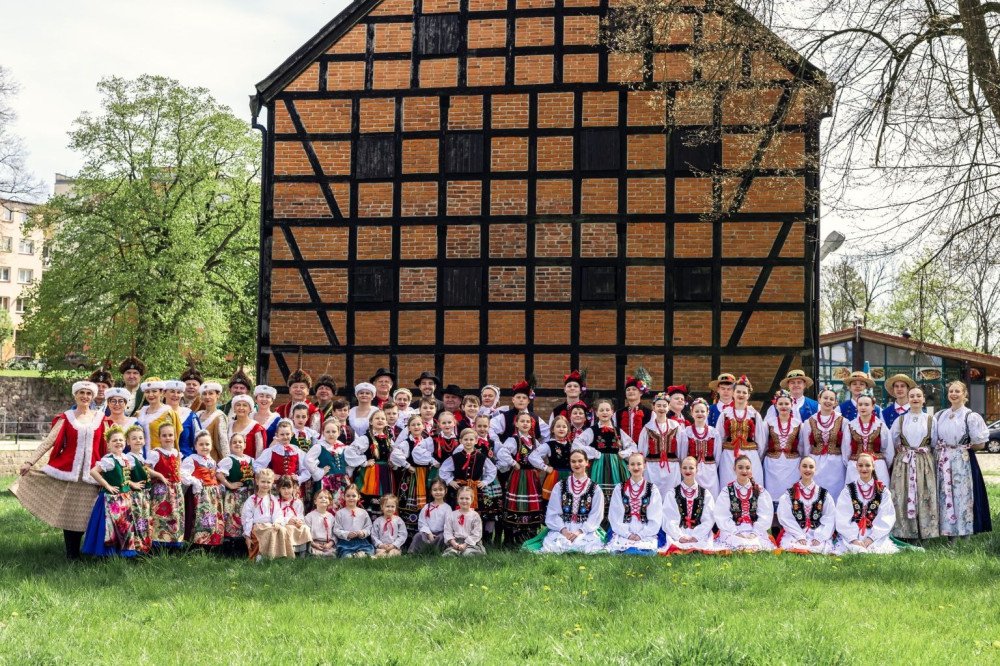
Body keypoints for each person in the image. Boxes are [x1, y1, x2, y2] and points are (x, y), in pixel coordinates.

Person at [12, 381, 106, 559]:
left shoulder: (101, 419)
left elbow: (107, 447)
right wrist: (30, 462)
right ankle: (72, 555)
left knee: (88, 514)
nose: (85, 396)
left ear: (93, 397)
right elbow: (48, 442)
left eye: (88, 393)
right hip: (68, 474)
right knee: (70, 515)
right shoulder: (67, 417)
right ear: (75, 395)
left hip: (93, 475)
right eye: (81, 393)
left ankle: (91, 551)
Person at [935, 380, 992, 538]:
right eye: (951, 391)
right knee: (945, 494)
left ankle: (964, 534)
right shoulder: (941, 415)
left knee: (963, 496)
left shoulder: (970, 416)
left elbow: (980, 444)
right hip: (944, 460)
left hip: (963, 461)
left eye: (957, 391)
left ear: (964, 394)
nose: (953, 394)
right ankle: (948, 533)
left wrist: (961, 448)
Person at [82, 425, 148, 558]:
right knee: (109, 525)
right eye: (114, 440)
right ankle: (107, 553)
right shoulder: (109, 460)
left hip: (125, 498)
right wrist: (107, 485)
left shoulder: (126, 458)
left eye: (121, 440)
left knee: (124, 525)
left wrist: (132, 483)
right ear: (109, 445)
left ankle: (123, 551)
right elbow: (93, 471)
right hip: (111, 500)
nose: (118, 442)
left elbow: (124, 477)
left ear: (125, 442)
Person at [889, 386, 939, 541]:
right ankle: (904, 532)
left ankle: (925, 532)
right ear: (908, 399)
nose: (915, 399)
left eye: (918, 396)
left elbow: (935, 443)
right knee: (902, 495)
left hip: (924, 462)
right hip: (904, 462)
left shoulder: (931, 419)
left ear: (923, 399)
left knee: (924, 494)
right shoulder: (901, 419)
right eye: (912, 396)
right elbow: (892, 440)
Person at [573, 399, 636, 514]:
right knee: (597, 492)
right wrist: (594, 453)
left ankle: (616, 517)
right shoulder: (592, 430)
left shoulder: (618, 431)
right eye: (601, 410)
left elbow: (633, 446)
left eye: (607, 410)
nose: (605, 412)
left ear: (612, 412)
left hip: (617, 465)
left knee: (618, 492)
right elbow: (576, 444)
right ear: (596, 413)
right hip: (599, 465)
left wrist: (623, 453)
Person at [538, 449, 605, 554]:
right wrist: (564, 531)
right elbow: (553, 512)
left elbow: (596, 515)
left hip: (585, 530)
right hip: (563, 528)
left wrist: (580, 531)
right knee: (555, 544)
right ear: (570, 463)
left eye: (580, 461)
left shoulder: (595, 489)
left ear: (587, 462)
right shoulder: (560, 486)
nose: (576, 464)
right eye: (573, 461)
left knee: (587, 545)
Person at [441, 428, 501, 539]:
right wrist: (450, 481)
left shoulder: (482, 457)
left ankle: (479, 537)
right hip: (460, 489)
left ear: (476, 441)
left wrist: (485, 481)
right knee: (459, 511)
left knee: (479, 513)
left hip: (476, 490)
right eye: (466, 439)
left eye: (471, 439)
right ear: (460, 441)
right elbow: (443, 470)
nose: (468, 442)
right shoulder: (455, 457)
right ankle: (459, 536)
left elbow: (492, 470)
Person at [834, 453, 898, 554]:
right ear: (856, 467)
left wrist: (870, 539)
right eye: (860, 465)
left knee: (876, 549)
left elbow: (886, 516)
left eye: (867, 465)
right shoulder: (848, 490)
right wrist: (853, 539)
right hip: (852, 532)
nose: (864, 468)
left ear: (873, 466)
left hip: (874, 533)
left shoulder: (882, 491)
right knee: (850, 547)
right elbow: (842, 515)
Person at [498, 412, 546, 545]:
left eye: (528, 421)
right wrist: (514, 463)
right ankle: (512, 538)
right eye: (522, 421)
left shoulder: (534, 440)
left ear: (531, 424)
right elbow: (502, 453)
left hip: (532, 476)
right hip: (519, 477)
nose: (525, 424)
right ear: (516, 423)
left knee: (531, 504)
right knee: (518, 503)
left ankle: (529, 535)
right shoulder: (514, 439)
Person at [776, 456, 837, 554]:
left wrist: (820, 537)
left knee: (821, 547)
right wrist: (799, 536)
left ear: (815, 469)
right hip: (795, 532)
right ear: (799, 468)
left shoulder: (823, 494)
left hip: (817, 533)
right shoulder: (789, 494)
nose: (808, 469)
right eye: (804, 466)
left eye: (811, 467)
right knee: (792, 545)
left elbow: (830, 517)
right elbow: (786, 517)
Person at [714, 455, 775, 552]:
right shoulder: (727, 491)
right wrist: (735, 532)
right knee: (737, 541)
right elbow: (722, 515)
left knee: (754, 542)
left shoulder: (759, 490)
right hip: (733, 528)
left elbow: (765, 514)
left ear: (751, 469)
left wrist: (755, 532)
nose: (744, 471)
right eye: (740, 467)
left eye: (747, 468)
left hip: (754, 528)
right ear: (734, 469)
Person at [606, 453, 663, 554]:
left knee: (648, 546)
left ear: (644, 466)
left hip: (646, 531)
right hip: (624, 531)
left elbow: (656, 516)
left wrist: (642, 534)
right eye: (632, 464)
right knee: (618, 545)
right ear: (628, 467)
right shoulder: (619, 488)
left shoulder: (652, 489)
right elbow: (614, 515)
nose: (636, 467)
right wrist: (628, 534)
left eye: (639, 464)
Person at [718, 375, 767, 489]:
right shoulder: (725, 414)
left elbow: (761, 441)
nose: (741, 395)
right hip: (729, 457)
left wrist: (755, 457)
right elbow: (719, 438)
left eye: (744, 393)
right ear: (733, 393)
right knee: (729, 487)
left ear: (748, 395)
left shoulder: (754, 414)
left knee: (752, 487)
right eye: (738, 392)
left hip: (751, 456)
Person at [660, 456, 716, 554]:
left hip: (700, 533)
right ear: (680, 470)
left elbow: (709, 518)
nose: (688, 470)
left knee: (703, 544)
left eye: (691, 468)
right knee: (675, 544)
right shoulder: (672, 493)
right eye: (685, 467)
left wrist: (696, 535)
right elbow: (669, 517)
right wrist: (679, 536)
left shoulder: (705, 494)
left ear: (697, 470)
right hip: (679, 531)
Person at [798, 388, 847, 500]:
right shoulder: (809, 421)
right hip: (816, 463)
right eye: (825, 398)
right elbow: (806, 446)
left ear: (835, 402)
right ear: (819, 399)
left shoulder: (843, 421)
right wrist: (808, 464)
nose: (828, 401)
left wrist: (845, 463)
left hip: (836, 464)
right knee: (817, 494)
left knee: (835, 494)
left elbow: (845, 445)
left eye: (831, 399)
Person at [180, 430, 225, 548]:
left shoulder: (212, 461)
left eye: (207, 444)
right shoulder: (192, 459)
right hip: (201, 495)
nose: (204, 447)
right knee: (201, 518)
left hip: (213, 495)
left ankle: (212, 542)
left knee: (212, 518)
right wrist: (195, 481)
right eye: (201, 444)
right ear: (195, 446)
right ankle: (198, 543)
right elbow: (183, 474)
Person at [392, 414, 435, 533]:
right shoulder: (406, 443)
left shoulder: (427, 442)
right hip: (411, 476)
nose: (416, 427)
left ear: (423, 426)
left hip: (425, 475)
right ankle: (407, 534)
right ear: (408, 428)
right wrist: (407, 465)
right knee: (409, 503)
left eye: (418, 424)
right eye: (413, 425)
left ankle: (423, 533)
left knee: (426, 501)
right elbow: (395, 455)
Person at [145, 423, 184, 548]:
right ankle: (158, 543)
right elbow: (146, 468)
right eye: (164, 435)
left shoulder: (177, 453)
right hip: (161, 491)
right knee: (161, 517)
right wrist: (159, 475)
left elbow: (179, 469)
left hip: (176, 489)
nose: (168, 438)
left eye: (170, 435)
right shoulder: (156, 453)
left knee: (175, 515)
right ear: (159, 437)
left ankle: (173, 543)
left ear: (175, 436)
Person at [637, 392, 682, 501]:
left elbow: (681, 448)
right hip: (652, 469)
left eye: (664, 406)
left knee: (671, 495)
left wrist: (680, 464)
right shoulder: (648, 427)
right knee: (653, 495)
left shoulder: (675, 426)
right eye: (658, 405)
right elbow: (642, 449)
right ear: (653, 407)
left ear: (669, 407)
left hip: (672, 468)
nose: (661, 408)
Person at [217, 432, 256, 554]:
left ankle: (245, 546)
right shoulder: (228, 460)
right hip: (234, 496)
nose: (237, 444)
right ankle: (231, 547)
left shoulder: (250, 459)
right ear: (230, 445)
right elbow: (219, 474)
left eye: (240, 442)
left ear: (245, 444)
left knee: (246, 518)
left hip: (248, 495)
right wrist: (229, 485)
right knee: (233, 519)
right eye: (234, 442)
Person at [354, 411, 399, 518]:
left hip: (387, 473)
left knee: (386, 498)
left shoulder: (388, 439)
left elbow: (395, 454)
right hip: (372, 473)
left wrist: (393, 463)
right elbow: (351, 452)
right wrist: (365, 462)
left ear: (386, 422)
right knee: (371, 498)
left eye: (383, 419)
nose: (380, 420)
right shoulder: (365, 438)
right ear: (371, 422)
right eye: (377, 418)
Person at [242, 469, 294, 560]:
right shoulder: (252, 500)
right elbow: (247, 518)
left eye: (268, 482)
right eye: (263, 482)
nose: (265, 485)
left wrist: (277, 522)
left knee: (282, 530)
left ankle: (281, 555)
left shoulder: (272, 499)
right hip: (257, 526)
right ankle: (262, 556)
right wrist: (247, 535)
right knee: (270, 531)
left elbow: (277, 513)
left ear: (272, 483)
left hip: (270, 524)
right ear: (257, 481)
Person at [842, 392, 893, 485]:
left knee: (878, 494)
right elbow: (846, 450)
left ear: (873, 407)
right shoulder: (850, 425)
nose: (863, 407)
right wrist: (851, 464)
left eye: (866, 404)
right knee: (855, 494)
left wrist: (882, 464)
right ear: (857, 406)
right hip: (855, 466)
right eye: (860, 404)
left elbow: (888, 450)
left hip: (877, 466)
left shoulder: (880, 425)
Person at [306, 417, 356, 511]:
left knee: (341, 507)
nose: (331, 434)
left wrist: (347, 472)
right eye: (327, 432)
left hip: (342, 482)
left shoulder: (343, 447)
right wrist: (320, 471)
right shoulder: (319, 447)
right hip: (326, 483)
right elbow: (308, 460)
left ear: (339, 432)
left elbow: (351, 462)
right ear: (323, 433)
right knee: (327, 507)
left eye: (334, 431)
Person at [676, 398, 723, 499]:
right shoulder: (686, 432)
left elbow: (717, 455)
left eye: (702, 411)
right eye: (696, 411)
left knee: (711, 496)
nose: (699, 413)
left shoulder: (714, 433)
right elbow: (682, 455)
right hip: (693, 471)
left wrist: (712, 466)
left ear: (707, 413)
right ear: (692, 413)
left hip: (710, 471)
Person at [763, 390, 802, 503]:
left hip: (792, 464)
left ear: (792, 405)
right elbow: (764, 444)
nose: (783, 406)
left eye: (786, 403)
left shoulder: (798, 424)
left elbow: (802, 446)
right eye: (780, 404)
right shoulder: (769, 423)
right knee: (772, 493)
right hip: (772, 464)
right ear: (775, 405)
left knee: (790, 493)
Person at [123, 424, 153, 554]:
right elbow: (123, 475)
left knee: (144, 518)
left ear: (144, 440)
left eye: (140, 438)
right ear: (128, 442)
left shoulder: (141, 457)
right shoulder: (129, 458)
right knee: (136, 519)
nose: (138, 441)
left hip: (144, 494)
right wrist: (132, 484)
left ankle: (143, 546)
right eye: (134, 438)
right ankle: (136, 547)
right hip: (135, 495)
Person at [529, 415, 574, 501]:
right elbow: (533, 456)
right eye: (558, 426)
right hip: (554, 476)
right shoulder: (549, 445)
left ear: (568, 430)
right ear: (553, 429)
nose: (561, 429)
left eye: (564, 427)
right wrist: (545, 467)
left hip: (569, 476)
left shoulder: (571, 445)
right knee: (553, 500)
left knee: (568, 500)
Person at [254, 419, 310, 486]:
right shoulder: (271, 451)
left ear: (292, 434)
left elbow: (306, 469)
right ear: (277, 435)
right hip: (276, 487)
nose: (285, 437)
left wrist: (299, 478)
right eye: (282, 434)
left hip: (292, 487)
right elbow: (257, 465)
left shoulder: (297, 451)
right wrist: (270, 476)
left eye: (287, 434)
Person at [276, 352, 321, 430]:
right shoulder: (280, 410)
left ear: (308, 391)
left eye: (302, 387)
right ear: (290, 390)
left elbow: (315, 436)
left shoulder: (314, 412)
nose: (298, 390)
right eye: (295, 387)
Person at [137, 378, 181, 455]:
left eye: (154, 391)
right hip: (141, 456)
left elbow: (171, 439)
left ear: (161, 392)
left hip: (161, 457)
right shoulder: (140, 413)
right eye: (147, 392)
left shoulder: (167, 413)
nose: (150, 395)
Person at [408, 479, 451, 554]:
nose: (438, 492)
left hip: (440, 533)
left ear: (446, 491)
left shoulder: (447, 508)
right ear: (431, 492)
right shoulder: (426, 507)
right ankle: (413, 552)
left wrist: (440, 533)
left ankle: (435, 551)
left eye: (441, 489)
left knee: (443, 537)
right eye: (435, 490)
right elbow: (422, 522)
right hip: (427, 533)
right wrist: (429, 533)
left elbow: (448, 524)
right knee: (418, 536)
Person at [163, 379, 202, 458]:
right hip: (162, 460)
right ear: (164, 393)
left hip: (186, 461)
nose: (175, 395)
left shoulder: (189, 415)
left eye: (179, 392)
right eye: (172, 391)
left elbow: (199, 440)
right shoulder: (158, 414)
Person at [442, 486, 486, 557]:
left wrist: (465, 544)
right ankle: (454, 552)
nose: (464, 501)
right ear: (457, 499)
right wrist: (454, 544)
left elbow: (476, 533)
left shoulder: (475, 516)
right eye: (461, 498)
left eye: (467, 498)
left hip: (471, 543)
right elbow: (448, 531)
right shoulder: (452, 515)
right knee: (449, 554)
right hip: (456, 542)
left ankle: (468, 552)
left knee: (468, 554)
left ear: (472, 500)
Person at [334, 486, 375, 558]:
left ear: (358, 497)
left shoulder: (363, 512)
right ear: (344, 497)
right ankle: (352, 555)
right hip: (346, 542)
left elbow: (369, 527)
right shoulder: (340, 513)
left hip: (361, 541)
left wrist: (362, 533)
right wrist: (347, 534)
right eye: (348, 496)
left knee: (369, 551)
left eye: (354, 496)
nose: (351, 498)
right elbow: (336, 529)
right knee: (345, 554)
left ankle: (361, 554)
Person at [275, 475, 311, 557]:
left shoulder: (297, 502)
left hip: (295, 523)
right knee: (288, 529)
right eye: (283, 488)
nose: (286, 491)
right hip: (283, 523)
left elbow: (300, 515)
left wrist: (299, 521)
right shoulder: (276, 501)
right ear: (279, 489)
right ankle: (288, 551)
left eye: (288, 488)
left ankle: (303, 552)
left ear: (293, 488)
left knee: (305, 528)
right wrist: (287, 521)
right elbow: (276, 516)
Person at [196, 382, 229, 461]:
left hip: (212, 459)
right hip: (196, 458)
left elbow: (223, 442)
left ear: (217, 395)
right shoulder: (198, 415)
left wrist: (226, 463)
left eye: (211, 393)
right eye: (204, 394)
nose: (207, 397)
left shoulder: (220, 416)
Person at [616, 375, 652, 444]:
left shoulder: (650, 414)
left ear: (641, 393)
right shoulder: (618, 413)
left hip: (643, 451)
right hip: (624, 451)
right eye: (628, 390)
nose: (630, 391)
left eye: (634, 389)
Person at [230, 394, 266, 458]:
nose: (241, 408)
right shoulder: (229, 426)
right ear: (234, 409)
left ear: (250, 409)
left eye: (245, 405)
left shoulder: (256, 428)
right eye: (238, 405)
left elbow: (259, 452)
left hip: (249, 466)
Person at [305, 490, 337, 556]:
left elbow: (335, 533)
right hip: (314, 543)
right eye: (320, 497)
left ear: (329, 502)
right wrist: (313, 544)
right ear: (315, 501)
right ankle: (317, 553)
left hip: (327, 544)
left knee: (332, 554)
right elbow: (306, 532)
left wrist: (330, 543)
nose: (323, 499)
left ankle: (326, 553)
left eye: (326, 498)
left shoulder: (331, 517)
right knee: (313, 553)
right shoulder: (310, 516)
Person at [119, 352, 147, 417]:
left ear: (140, 376)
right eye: (128, 373)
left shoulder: (146, 393)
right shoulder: (115, 391)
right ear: (123, 375)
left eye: (135, 373)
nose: (131, 376)